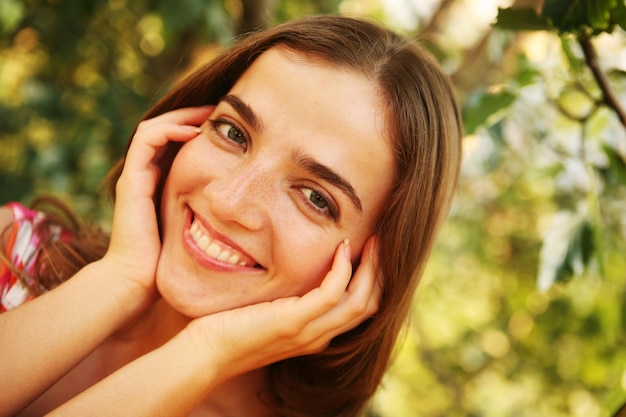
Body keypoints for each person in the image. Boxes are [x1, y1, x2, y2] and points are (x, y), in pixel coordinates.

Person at [0, 14, 462, 417]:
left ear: (370, 262)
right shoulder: (13, 251)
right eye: (232, 132)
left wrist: (206, 353)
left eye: (316, 198)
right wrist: (121, 278)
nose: (227, 200)